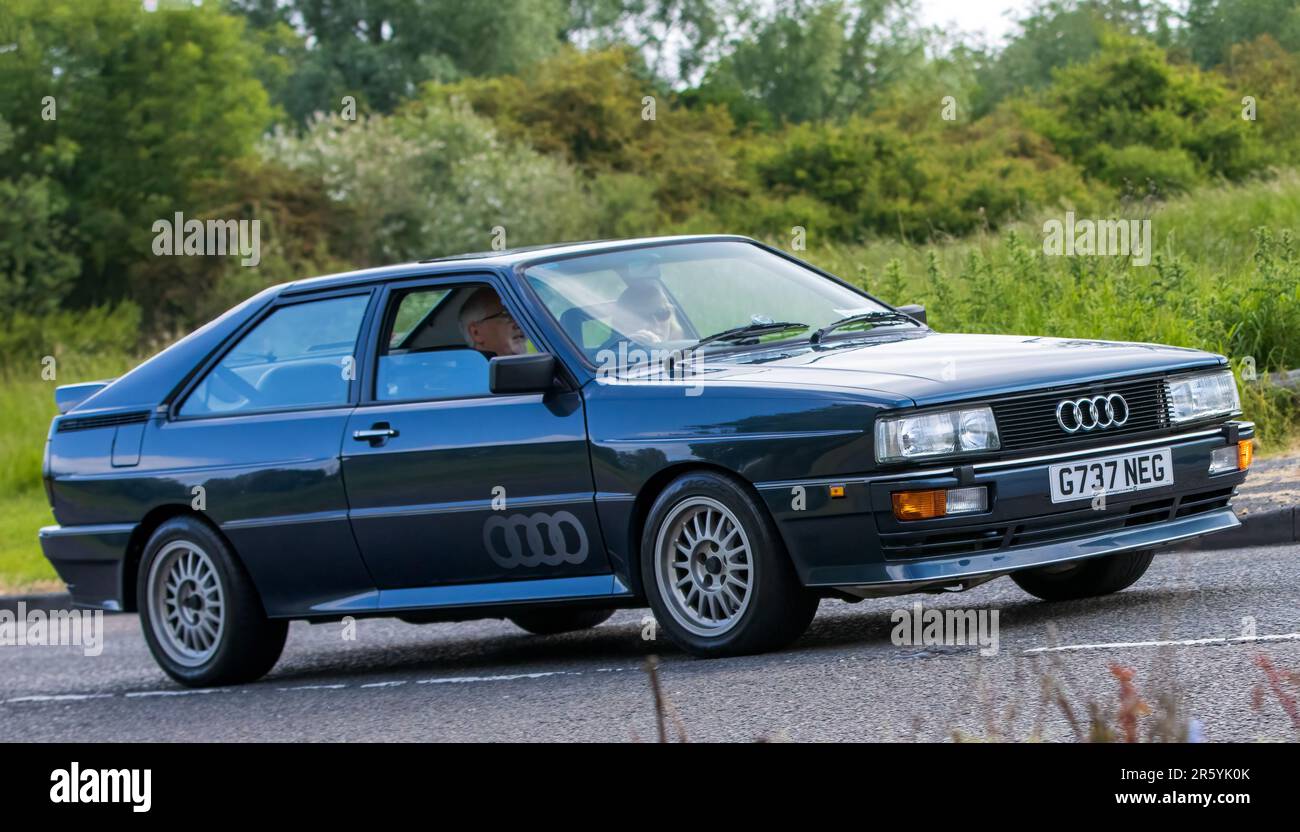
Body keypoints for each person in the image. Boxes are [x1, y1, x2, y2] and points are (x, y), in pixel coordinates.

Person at [459, 287, 527, 358]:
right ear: (476, 333)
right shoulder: (476, 369)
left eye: (519, 315)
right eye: (506, 315)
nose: (519, 323)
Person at [612, 281, 684, 345]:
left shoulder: (682, 353)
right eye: (644, 317)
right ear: (623, 324)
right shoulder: (608, 354)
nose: (656, 323)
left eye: (662, 314)